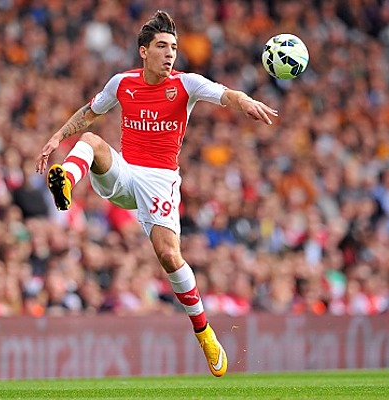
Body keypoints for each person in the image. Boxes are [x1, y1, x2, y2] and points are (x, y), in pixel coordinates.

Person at [35, 10, 278, 377]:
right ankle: (66, 182)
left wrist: (245, 102)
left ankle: (204, 332)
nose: (170, 54)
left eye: (174, 48)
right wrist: (57, 136)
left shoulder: (186, 84)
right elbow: (89, 112)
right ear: (144, 51)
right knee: (90, 140)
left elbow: (226, 94)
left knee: (169, 256)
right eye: (162, 46)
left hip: (160, 180)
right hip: (125, 172)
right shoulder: (122, 83)